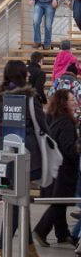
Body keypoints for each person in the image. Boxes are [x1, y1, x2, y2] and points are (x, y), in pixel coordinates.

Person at [0, 60, 46, 257]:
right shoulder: (27, 98)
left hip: (4, 157)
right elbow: (42, 126)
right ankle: (1, 251)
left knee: (19, 201)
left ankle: (31, 252)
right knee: (17, 202)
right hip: (25, 157)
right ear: (22, 74)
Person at [33, 90, 79, 246]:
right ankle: (41, 230)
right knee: (59, 202)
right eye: (72, 100)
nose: (75, 102)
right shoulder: (66, 123)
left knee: (60, 201)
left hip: (53, 167)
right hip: (64, 170)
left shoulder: (51, 118)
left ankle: (62, 233)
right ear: (64, 103)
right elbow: (69, 149)